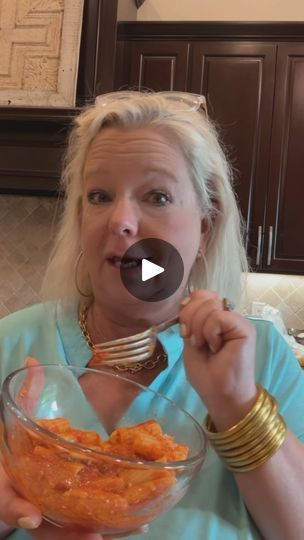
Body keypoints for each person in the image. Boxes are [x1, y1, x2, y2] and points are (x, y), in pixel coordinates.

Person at [0, 90, 303, 540]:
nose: (121, 221)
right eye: (99, 196)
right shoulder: (12, 342)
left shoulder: (260, 355)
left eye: (157, 196)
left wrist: (236, 403)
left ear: (205, 228)